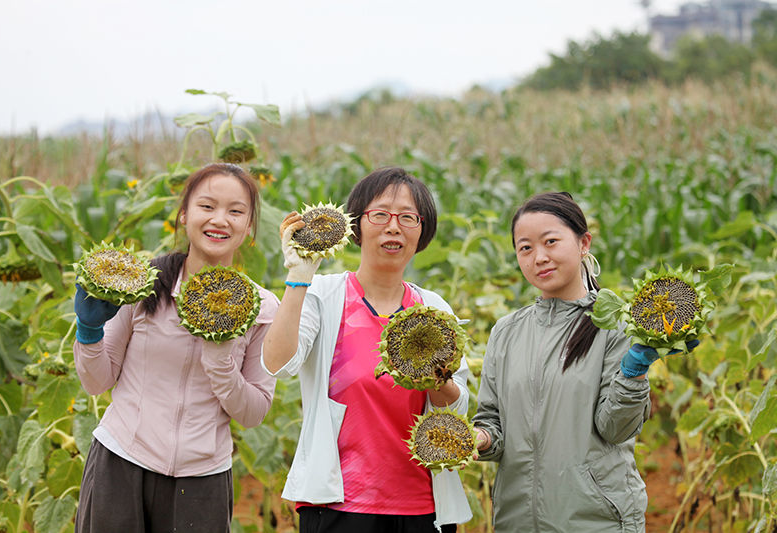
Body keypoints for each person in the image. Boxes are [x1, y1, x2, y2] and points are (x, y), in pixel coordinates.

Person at [261, 166, 472, 533]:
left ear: (422, 231)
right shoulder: (324, 296)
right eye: (380, 215)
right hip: (339, 506)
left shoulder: (434, 308)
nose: (394, 227)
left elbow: (455, 408)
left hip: (424, 508)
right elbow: (278, 363)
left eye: (408, 217)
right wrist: (299, 276)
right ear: (356, 225)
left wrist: (438, 377)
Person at [72, 163, 279, 533]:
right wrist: (89, 331)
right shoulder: (143, 286)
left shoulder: (261, 308)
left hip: (202, 482)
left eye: (235, 211)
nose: (220, 220)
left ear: (249, 227)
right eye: (207, 206)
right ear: (184, 214)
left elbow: (253, 412)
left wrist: (220, 360)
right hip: (120, 464)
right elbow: (97, 382)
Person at [472, 191, 694, 532]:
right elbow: (492, 421)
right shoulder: (506, 331)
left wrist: (633, 373)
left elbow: (616, 429)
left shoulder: (617, 325)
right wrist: (481, 439)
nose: (539, 257)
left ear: (583, 243)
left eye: (551, 241)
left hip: (596, 520)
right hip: (516, 521)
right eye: (525, 248)